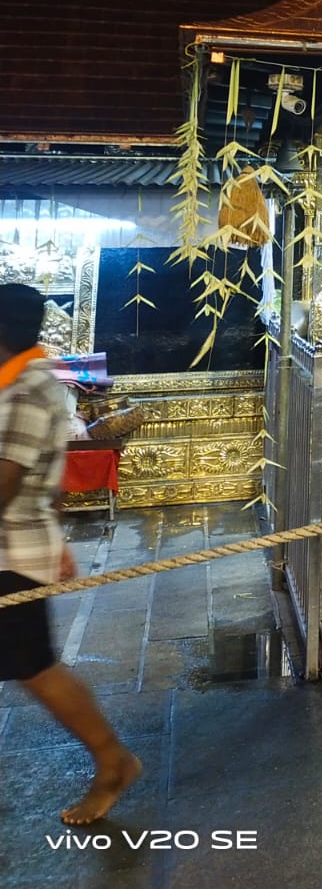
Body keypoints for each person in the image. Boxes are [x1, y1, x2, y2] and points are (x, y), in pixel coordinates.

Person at [0, 283, 140, 825]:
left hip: (12, 556)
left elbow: (6, 481)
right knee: (33, 666)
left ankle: (112, 761)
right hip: (21, 544)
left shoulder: (26, 389)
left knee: (36, 668)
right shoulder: (23, 379)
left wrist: (46, 534)